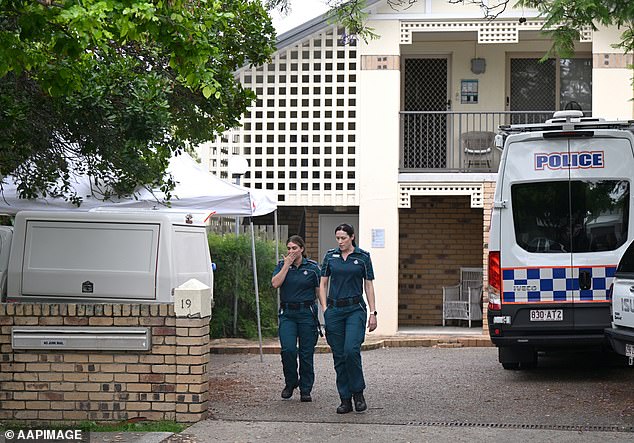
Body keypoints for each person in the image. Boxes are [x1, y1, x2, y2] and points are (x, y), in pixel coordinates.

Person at [319, 223, 377, 414]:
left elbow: (368, 285)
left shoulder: (363, 257)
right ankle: (345, 399)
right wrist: (325, 309)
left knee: (351, 351)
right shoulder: (330, 256)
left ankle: (358, 393)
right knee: (339, 355)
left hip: (355, 309)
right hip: (334, 310)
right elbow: (323, 283)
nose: (340, 241)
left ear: (352, 237)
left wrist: (373, 313)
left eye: (343, 238)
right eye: (338, 238)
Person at [271, 235, 321, 402]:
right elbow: (275, 284)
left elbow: (319, 290)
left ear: (302, 249)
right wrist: (286, 264)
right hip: (288, 314)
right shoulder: (281, 265)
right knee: (288, 350)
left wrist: (325, 309)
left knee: (306, 353)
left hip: (306, 313)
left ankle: (306, 388)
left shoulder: (313, 268)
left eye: (294, 248)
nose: (291, 251)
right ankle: (291, 382)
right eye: (289, 248)